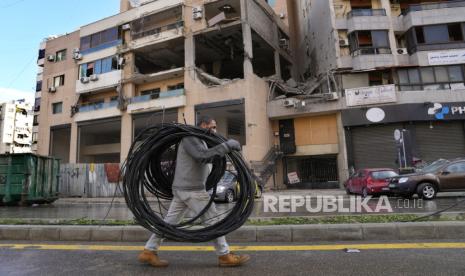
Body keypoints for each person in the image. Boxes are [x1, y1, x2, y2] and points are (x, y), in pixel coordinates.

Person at [138, 116, 251, 267]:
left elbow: (207, 157)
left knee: (170, 222)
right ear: (203, 125)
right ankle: (224, 256)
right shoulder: (190, 137)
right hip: (191, 190)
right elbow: (202, 156)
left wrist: (221, 150)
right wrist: (227, 146)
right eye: (213, 127)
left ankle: (149, 251)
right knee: (213, 221)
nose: (215, 130)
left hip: (186, 189)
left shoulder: (200, 140)